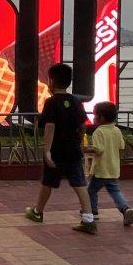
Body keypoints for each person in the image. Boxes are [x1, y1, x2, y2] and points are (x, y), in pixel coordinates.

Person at [25, 63, 96, 234]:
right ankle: (88, 219)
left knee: (48, 183)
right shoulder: (76, 101)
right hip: (73, 150)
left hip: (56, 150)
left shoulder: (51, 102)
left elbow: (50, 127)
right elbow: (83, 126)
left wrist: (47, 150)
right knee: (79, 184)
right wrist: (80, 143)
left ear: (51, 81)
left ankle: (38, 212)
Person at [83, 101, 133, 226]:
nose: (94, 118)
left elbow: (99, 149)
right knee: (115, 191)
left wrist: (87, 148)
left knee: (91, 190)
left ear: (101, 117)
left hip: (100, 169)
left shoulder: (99, 132)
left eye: (95, 116)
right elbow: (121, 146)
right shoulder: (116, 130)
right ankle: (125, 209)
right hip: (113, 168)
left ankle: (93, 211)